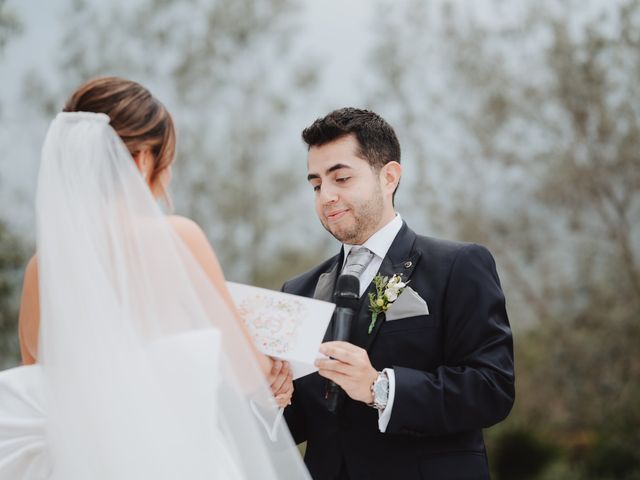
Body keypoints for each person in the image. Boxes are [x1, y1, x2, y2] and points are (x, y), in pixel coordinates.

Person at [0, 77, 308, 480]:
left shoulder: (42, 268)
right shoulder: (176, 238)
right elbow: (247, 374)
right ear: (145, 158)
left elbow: (42, 389)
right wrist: (272, 371)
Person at [282, 108, 515, 480]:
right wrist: (269, 397)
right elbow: (298, 422)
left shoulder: (458, 266)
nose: (326, 196)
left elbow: (491, 389)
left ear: (389, 176)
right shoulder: (298, 291)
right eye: (316, 184)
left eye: (341, 178)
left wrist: (380, 387)